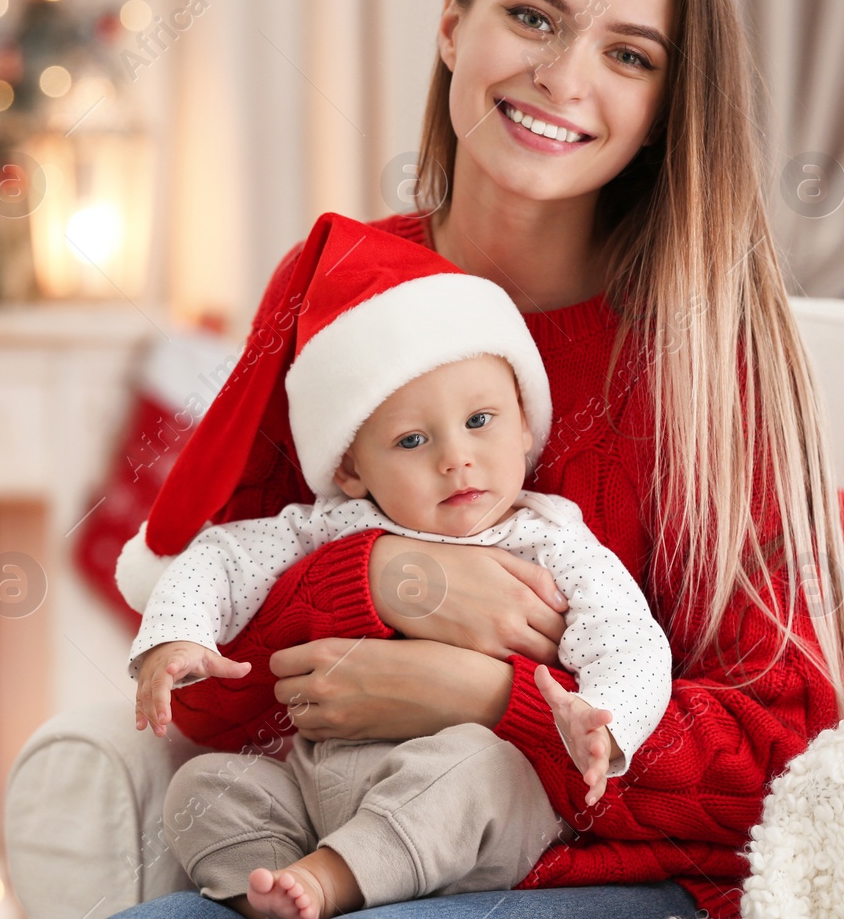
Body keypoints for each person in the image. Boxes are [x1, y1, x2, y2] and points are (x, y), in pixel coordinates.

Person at [107, 0, 844, 919]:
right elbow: (207, 702)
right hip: (330, 845)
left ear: (661, 107)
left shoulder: (704, 348)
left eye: (627, 54)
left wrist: (490, 697)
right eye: (531, 17)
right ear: (454, 24)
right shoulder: (332, 288)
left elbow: (777, 756)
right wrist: (379, 583)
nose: (562, 76)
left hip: (610, 875)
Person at [122, 214, 674, 919]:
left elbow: (627, 637)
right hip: (319, 785)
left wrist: (605, 720)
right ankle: (272, 885)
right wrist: (176, 632)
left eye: (481, 421)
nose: (456, 457)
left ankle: (330, 882)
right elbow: (225, 557)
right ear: (352, 469)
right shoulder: (335, 523)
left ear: (526, 424)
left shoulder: (551, 541)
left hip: (462, 809)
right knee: (202, 787)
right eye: (413, 439)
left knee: (482, 768)